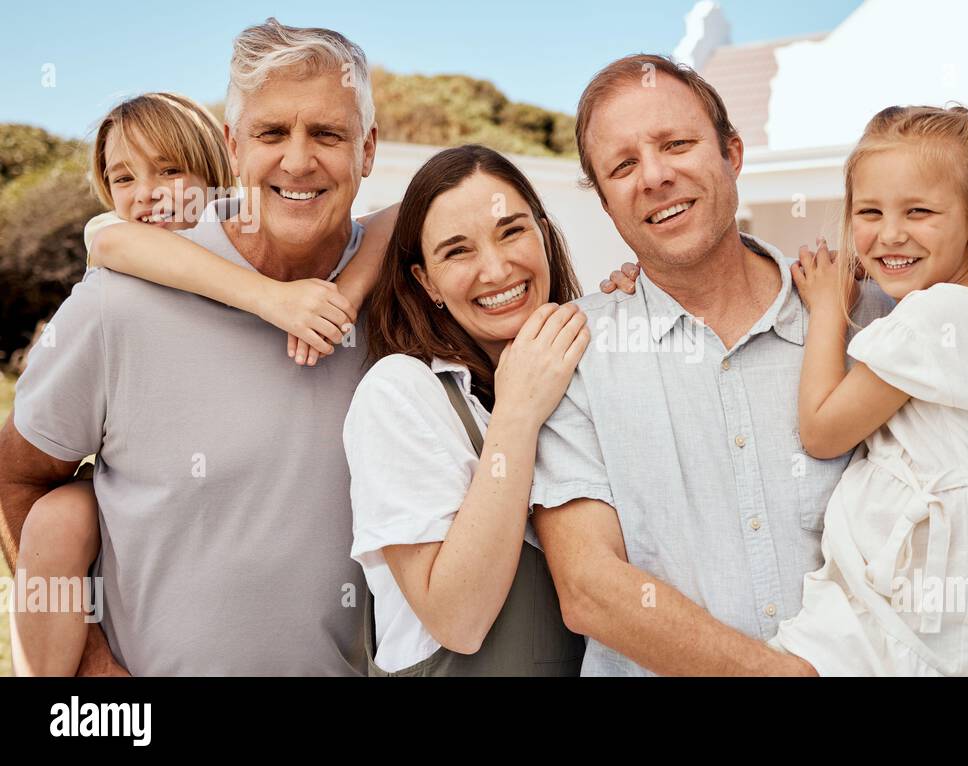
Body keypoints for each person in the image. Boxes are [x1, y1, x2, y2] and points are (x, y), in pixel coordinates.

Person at [0, 18, 381, 675]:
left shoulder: (406, 295)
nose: (296, 160)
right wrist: (92, 669)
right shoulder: (117, 300)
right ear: (233, 145)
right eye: (270, 133)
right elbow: (19, 478)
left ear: (368, 150)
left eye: (327, 133)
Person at [530, 54, 893, 676]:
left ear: (733, 153)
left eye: (677, 143)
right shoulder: (571, 353)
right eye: (622, 166)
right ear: (607, 205)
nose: (654, 176)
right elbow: (591, 589)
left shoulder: (870, 320)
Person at [343, 144, 645, 676]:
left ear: (544, 235)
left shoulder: (593, 368)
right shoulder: (399, 395)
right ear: (426, 282)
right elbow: (457, 618)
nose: (496, 268)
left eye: (512, 232)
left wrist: (642, 307)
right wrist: (517, 414)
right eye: (457, 252)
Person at [765, 105, 968, 676]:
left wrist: (827, 307)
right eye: (869, 211)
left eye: (919, 211)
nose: (890, 233)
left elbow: (821, 431)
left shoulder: (935, 315)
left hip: (909, 611)